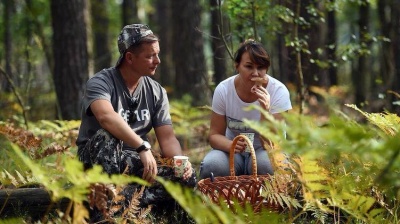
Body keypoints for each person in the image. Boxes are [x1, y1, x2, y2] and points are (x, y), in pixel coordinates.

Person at [76, 24, 196, 220]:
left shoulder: (156, 91)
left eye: (158, 54)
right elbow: (106, 117)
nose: (157, 61)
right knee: (107, 137)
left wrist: (180, 162)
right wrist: (142, 147)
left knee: (186, 177)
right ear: (129, 58)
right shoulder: (101, 82)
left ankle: (128, 203)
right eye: (150, 56)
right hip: (96, 159)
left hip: (135, 160)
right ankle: (104, 215)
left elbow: (167, 138)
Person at [199, 39, 292, 180]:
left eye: (261, 68)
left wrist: (265, 110)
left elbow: (274, 144)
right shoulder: (224, 90)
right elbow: (214, 135)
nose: (255, 73)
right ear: (237, 65)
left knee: (267, 166)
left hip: (265, 151)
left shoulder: (278, 91)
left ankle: (264, 201)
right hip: (232, 150)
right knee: (211, 166)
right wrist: (231, 145)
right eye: (249, 67)